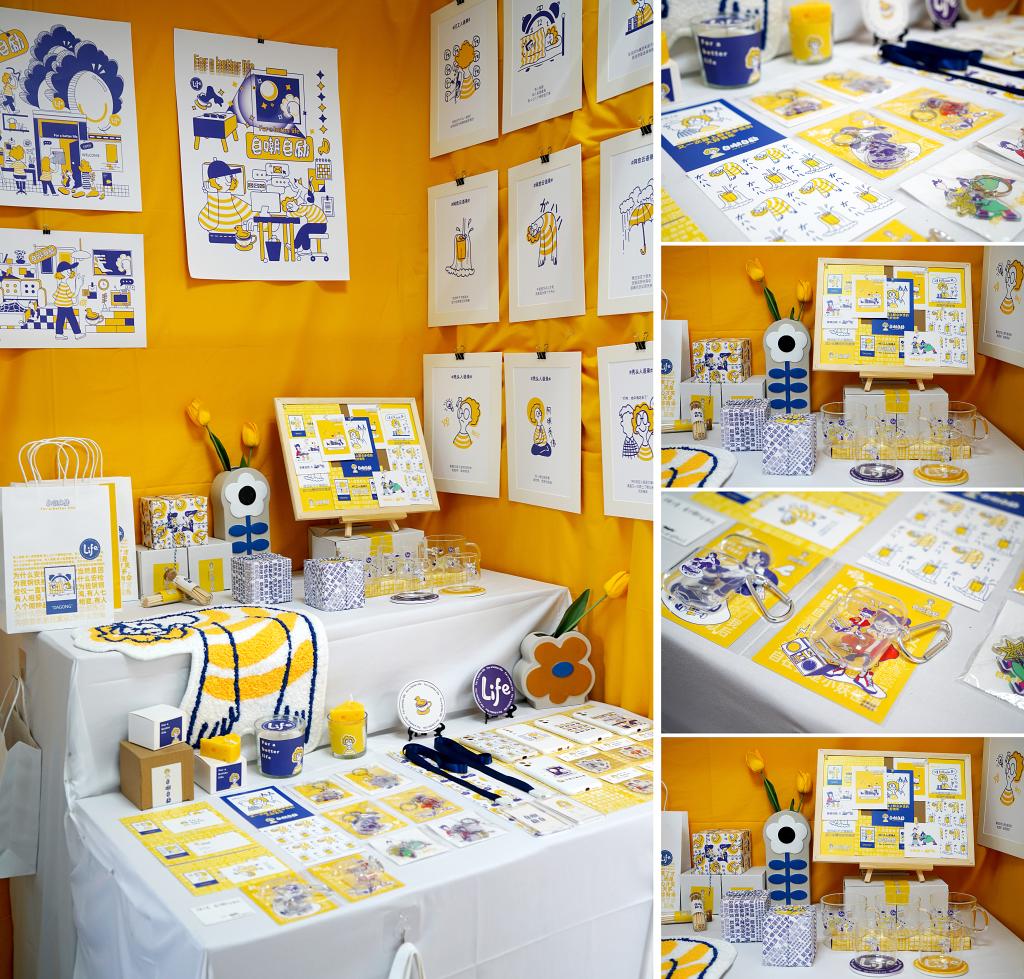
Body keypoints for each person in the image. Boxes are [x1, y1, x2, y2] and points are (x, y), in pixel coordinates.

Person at [197, 159, 253, 241]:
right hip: (215, 241)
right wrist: (212, 195)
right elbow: (208, 225)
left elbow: (257, 216)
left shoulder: (237, 202)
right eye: (221, 177)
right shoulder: (210, 203)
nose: (228, 180)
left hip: (240, 240)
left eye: (229, 176)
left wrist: (253, 221)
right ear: (213, 181)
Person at [281, 183, 327, 255]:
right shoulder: (308, 206)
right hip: (320, 226)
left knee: (304, 230)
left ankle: (295, 247)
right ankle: (306, 249)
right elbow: (298, 211)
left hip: (319, 226)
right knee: (305, 231)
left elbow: (298, 214)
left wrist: (289, 214)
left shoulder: (306, 206)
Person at [52, 260, 83, 340]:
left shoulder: (60, 285)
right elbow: (73, 295)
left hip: (61, 306)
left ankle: (59, 334)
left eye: (70, 270)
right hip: (66, 306)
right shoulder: (65, 286)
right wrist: (78, 286)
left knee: (60, 319)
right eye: (67, 270)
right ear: (61, 272)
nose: (69, 272)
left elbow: (54, 295)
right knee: (72, 319)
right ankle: (77, 334)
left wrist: (60, 300)